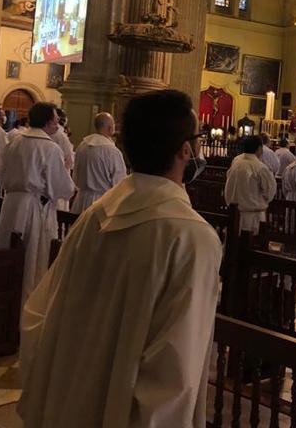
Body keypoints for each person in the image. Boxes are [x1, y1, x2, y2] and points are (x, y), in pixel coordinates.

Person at [19, 90, 222, 428]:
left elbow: (40, 315)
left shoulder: (96, 215)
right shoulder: (191, 237)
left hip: (66, 403)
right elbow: (174, 372)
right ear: (186, 150)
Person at [0, 102, 75, 303]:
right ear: (47, 122)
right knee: (31, 258)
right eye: (56, 120)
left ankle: (4, 299)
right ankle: (26, 303)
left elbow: (1, 173)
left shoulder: (15, 141)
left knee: (9, 251)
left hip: (11, 203)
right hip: (33, 207)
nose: (57, 124)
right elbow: (63, 188)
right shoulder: (50, 148)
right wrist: (65, 172)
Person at [71, 112, 128, 213]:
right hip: (102, 202)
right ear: (110, 128)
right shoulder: (112, 152)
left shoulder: (82, 146)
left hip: (81, 199)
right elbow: (119, 183)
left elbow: (75, 174)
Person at [225, 136, 277, 233]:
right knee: (249, 239)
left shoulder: (236, 162)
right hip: (253, 216)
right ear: (259, 148)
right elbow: (270, 191)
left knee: (233, 239)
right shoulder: (260, 167)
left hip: (233, 213)